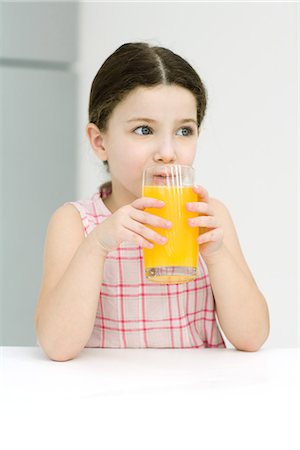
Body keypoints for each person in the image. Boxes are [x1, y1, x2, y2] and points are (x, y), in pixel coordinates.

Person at [35, 42, 270, 361]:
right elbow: (57, 346)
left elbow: (252, 336)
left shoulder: (210, 217)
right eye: (144, 130)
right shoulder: (76, 223)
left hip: (196, 391)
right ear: (100, 142)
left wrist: (216, 255)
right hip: (101, 397)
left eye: (184, 131)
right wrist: (99, 244)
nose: (168, 151)